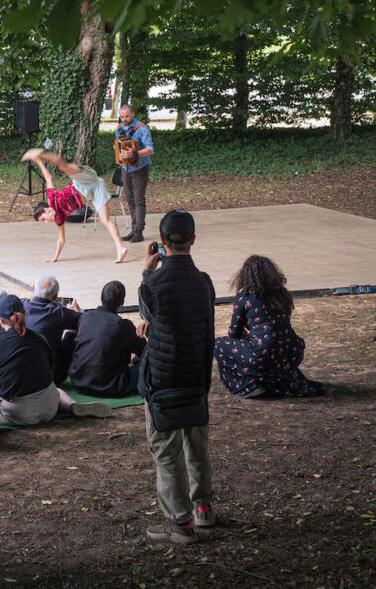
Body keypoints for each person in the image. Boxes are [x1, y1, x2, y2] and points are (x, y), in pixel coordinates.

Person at [137, 209, 217, 544]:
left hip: (163, 383)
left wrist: (146, 270)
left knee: (167, 454)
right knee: (197, 448)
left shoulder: (152, 285)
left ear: (161, 241)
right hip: (196, 378)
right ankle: (203, 509)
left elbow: (146, 316)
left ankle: (179, 524)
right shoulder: (204, 283)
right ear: (193, 240)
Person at [0, 295, 110, 426]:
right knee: (57, 391)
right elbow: (50, 374)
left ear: (0, 319)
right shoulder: (39, 338)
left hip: (16, 413)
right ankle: (72, 406)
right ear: (24, 313)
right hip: (49, 408)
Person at [214, 255, 327, 398]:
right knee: (266, 352)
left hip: (264, 354)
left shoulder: (245, 295)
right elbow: (278, 327)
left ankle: (246, 386)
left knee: (219, 345)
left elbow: (233, 332)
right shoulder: (282, 294)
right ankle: (271, 382)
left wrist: (246, 336)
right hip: (291, 351)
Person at [23, 148, 128, 263]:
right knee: (104, 219)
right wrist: (55, 258)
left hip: (83, 181)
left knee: (65, 168)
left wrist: (38, 161)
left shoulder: (51, 198)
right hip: (95, 189)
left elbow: (48, 178)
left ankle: (41, 154)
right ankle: (120, 249)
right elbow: (61, 239)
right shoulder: (59, 218)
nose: (46, 222)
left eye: (44, 219)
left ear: (46, 210)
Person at [68, 280, 145, 397]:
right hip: (109, 386)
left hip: (78, 381)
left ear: (101, 298)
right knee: (149, 362)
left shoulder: (84, 318)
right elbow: (145, 351)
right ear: (122, 303)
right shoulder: (122, 325)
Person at [23, 273, 81, 383]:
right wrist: (75, 313)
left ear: (34, 288)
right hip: (52, 375)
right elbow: (82, 321)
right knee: (73, 331)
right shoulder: (59, 313)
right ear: (55, 296)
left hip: (23, 371)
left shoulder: (21, 305)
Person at [115, 104, 155, 242]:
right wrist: (120, 159)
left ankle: (139, 231)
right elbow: (119, 146)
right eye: (121, 116)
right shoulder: (119, 128)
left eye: (126, 116)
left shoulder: (141, 128)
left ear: (132, 114)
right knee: (130, 200)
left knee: (139, 200)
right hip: (126, 169)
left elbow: (150, 149)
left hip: (140, 169)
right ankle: (134, 229)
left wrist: (135, 153)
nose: (124, 119)